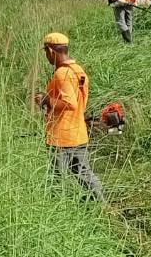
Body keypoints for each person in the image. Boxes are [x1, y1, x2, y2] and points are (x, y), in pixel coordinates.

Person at [37, 31, 103, 201]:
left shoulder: (62, 74)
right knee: (84, 173)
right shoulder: (78, 70)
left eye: (46, 52)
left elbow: (69, 103)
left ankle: (54, 206)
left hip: (61, 136)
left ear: (50, 51)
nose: (46, 56)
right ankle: (100, 203)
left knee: (56, 178)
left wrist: (46, 100)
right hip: (78, 133)